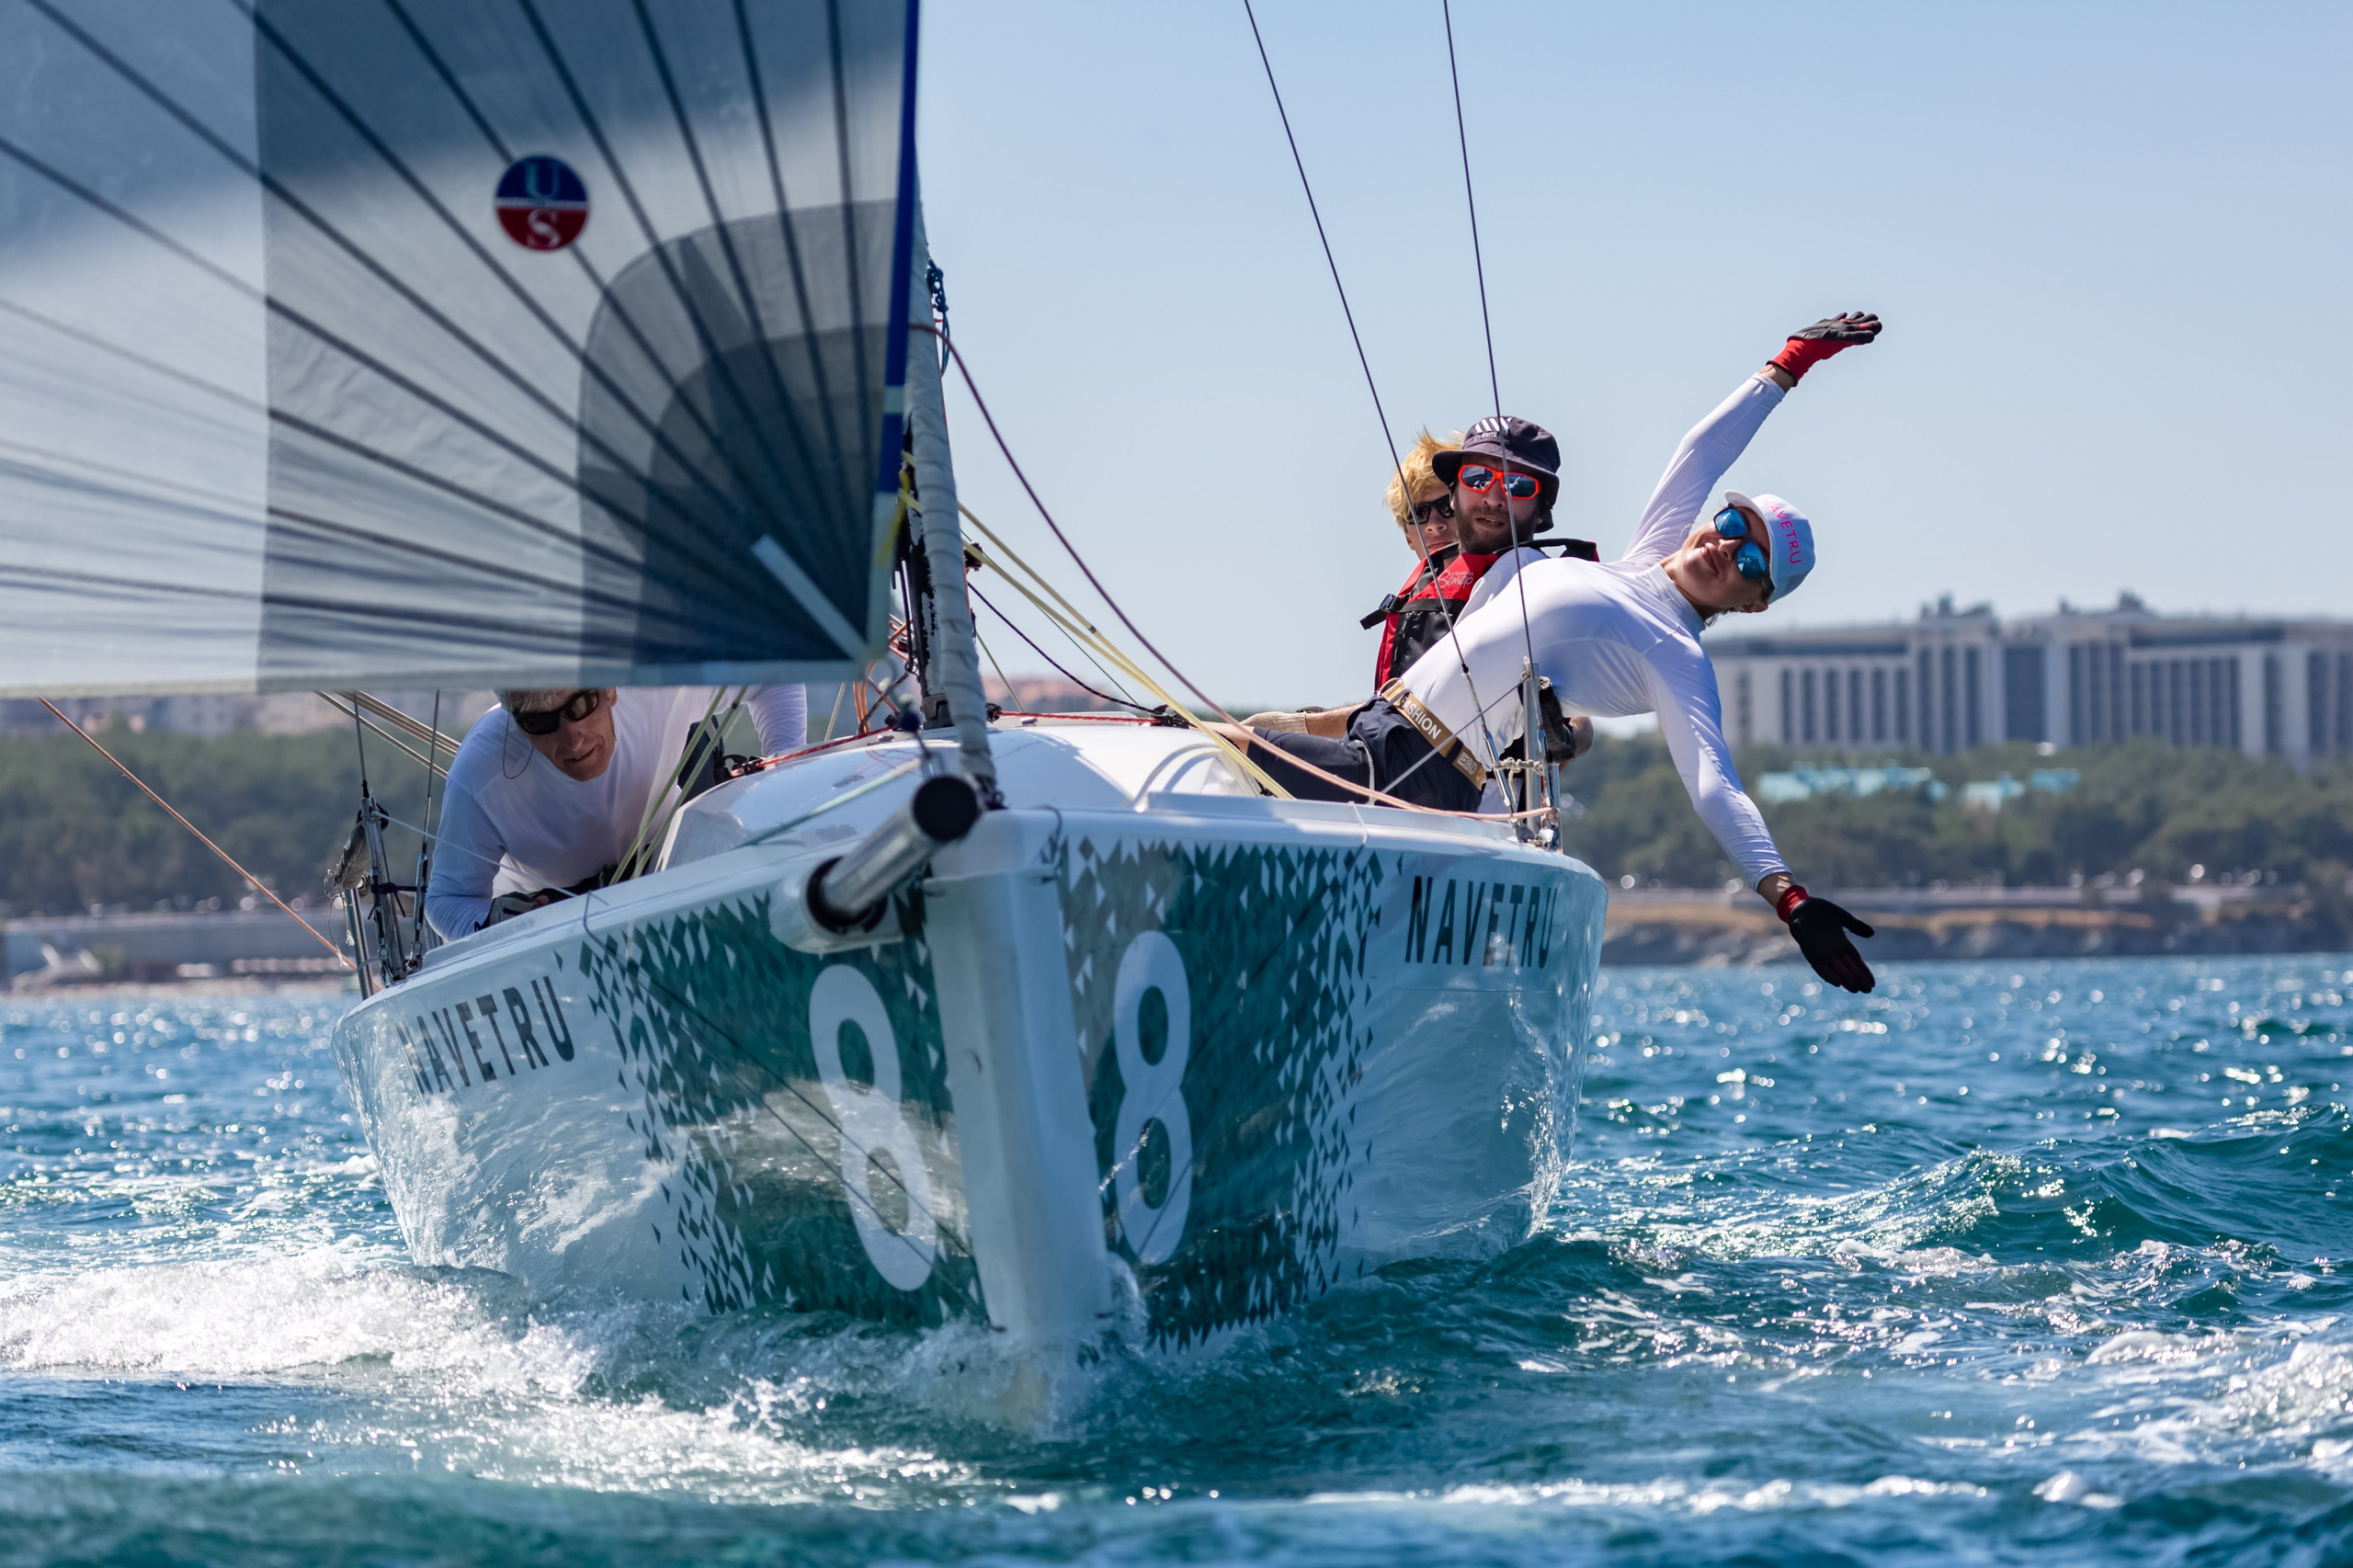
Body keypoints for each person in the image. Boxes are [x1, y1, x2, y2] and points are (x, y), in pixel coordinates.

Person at [1233, 312, 1885, 994]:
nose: (1726, 546)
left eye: (1752, 559)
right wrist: (1791, 363)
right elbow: (1702, 451)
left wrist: (1788, 897)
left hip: (1418, 775)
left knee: (1215, 757)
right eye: (1729, 524)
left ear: (1754, 603)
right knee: (1206, 740)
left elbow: (1714, 785)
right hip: (1377, 734)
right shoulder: (1638, 564)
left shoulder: (1675, 656)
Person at [424, 684, 806, 937]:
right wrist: (497, 923)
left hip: (668, 867)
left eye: (582, 706)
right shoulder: (480, 770)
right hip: (555, 922)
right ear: (517, 724)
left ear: (610, 690)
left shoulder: (654, 685)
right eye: (540, 723)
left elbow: (774, 670)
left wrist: (783, 769)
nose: (573, 740)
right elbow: (446, 900)